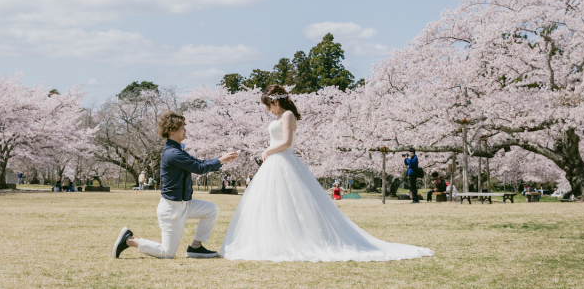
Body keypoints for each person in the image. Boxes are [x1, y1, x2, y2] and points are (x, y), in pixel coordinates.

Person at [220, 84, 433, 262]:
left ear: (275, 101)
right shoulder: (280, 115)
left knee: (292, 202)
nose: (268, 110)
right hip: (274, 163)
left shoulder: (287, 115)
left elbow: (286, 142)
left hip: (283, 160)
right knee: (272, 203)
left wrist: (268, 150)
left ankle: (294, 240)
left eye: (268, 105)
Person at [112, 111, 239, 259]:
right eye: (182, 127)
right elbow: (198, 168)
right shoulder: (173, 153)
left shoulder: (178, 150)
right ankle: (129, 240)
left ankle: (196, 247)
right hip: (171, 209)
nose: (185, 130)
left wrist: (221, 159)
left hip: (184, 204)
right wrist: (221, 160)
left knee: (211, 209)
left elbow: (199, 163)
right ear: (172, 130)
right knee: (167, 253)